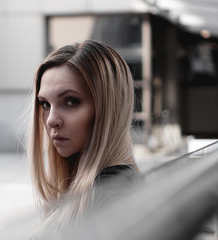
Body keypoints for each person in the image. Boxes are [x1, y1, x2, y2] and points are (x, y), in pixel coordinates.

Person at [27, 40, 141, 238]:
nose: (51, 120)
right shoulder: (98, 187)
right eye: (45, 104)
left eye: (71, 101)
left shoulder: (113, 193)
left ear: (108, 108)